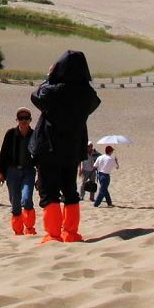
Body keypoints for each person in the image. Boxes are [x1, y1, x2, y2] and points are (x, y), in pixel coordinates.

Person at [29, 50, 101, 243]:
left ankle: (53, 234)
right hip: (72, 149)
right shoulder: (86, 93)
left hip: (49, 147)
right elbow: (94, 103)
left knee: (49, 191)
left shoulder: (52, 90)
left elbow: (35, 96)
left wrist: (49, 77)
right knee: (70, 189)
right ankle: (71, 232)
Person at [0, 107, 38, 235]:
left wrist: (41, 174)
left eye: (26, 118)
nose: (23, 120)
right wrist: (1, 172)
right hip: (12, 172)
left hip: (29, 172)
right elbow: (3, 154)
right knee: (14, 201)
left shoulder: (34, 135)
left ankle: (30, 228)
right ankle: (18, 231)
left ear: (30, 120)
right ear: (17, 120)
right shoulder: (10, 134)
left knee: (26, 199)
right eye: (21, 118)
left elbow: (40, 155)